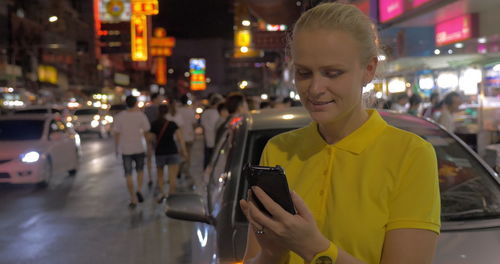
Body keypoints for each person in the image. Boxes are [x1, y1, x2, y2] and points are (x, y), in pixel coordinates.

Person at [239, 3, 440, 264]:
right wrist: (271, 254)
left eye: (332, 73)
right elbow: (254, 258)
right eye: (303, 73)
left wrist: (312, 247)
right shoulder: (279, 149)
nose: (315, 88)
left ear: (368, 70)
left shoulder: (411, 155)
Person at [113, 95, 151, 209]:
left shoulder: (119, 117)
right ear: (135, 103)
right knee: (140, 170)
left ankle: (133, 198)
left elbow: (117, 134)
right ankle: (139, 189)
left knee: (128, 174)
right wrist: (149, 147)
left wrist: (116, 148)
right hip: (139, 147)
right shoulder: (141, 115)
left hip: (126, 150)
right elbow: (146, 132)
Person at [149, 104, 188, 202]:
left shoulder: (154, 124)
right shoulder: (172, 124)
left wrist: (149, 150)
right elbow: (180, 138)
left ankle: (162, 193)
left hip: (159, 152)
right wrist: (184, 151)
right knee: (172, 176)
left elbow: (150, 139)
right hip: (172, 151)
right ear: (167, 112)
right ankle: (172, 194)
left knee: (160, 175)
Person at [144, 92, 164, 188]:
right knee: (158, 156)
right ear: (155, 99)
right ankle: (159, 177)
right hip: (158, 134)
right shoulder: (160, 109)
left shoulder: (146, 109)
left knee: (149, 156)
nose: (161, 99)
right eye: (160, 97)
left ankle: (150, 178)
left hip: (148, 134)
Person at [176, 94, 197, 183]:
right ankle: (186, 171)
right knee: (188, 154)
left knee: (180, 154)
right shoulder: (190, 111)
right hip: (189, 135)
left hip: (179, 136)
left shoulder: (177, 111)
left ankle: (179, 170)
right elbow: (194, 124)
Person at [200, 93, 223, 168]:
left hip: (207, 139)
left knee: (207, 158)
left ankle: (206, 172)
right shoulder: (217, 113)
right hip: (216, 139)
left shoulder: (205, 112)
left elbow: (203, 126)